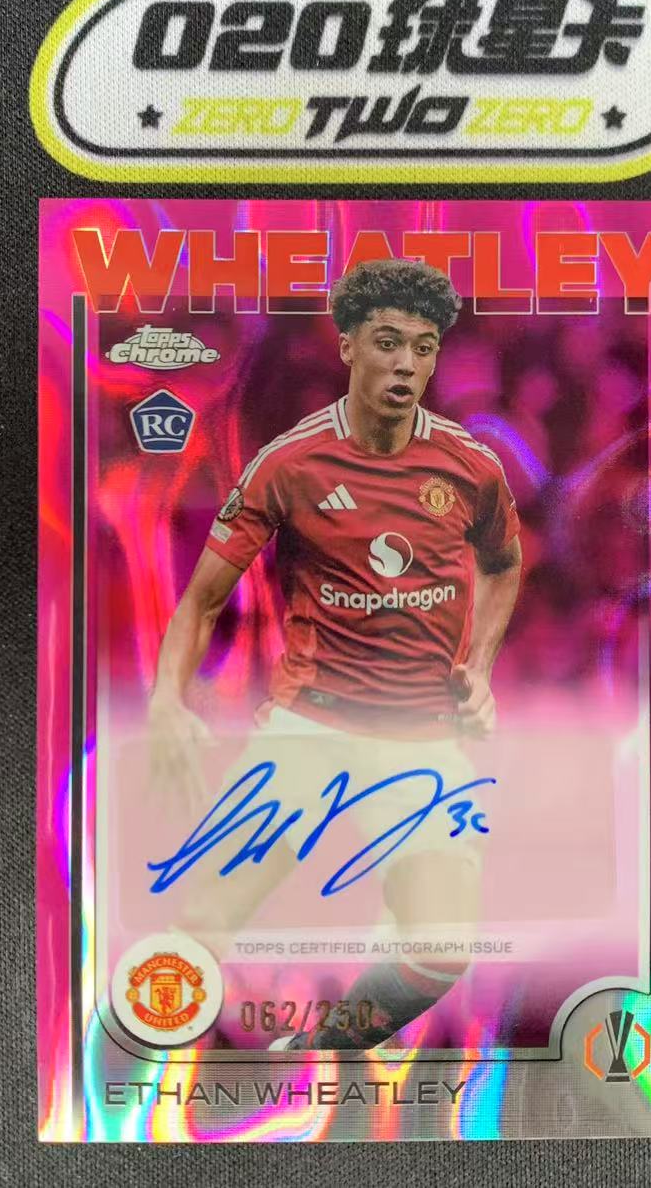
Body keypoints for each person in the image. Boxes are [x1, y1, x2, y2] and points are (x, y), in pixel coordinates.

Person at [147, 257, 523, 1050]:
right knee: (206, 922)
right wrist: (166, 704)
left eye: (423, 347)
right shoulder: (291, 464)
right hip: (309, 731)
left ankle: (317, 1055)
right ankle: (136, 1075)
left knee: (441, 950)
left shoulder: (470, 468)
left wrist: (480, 670)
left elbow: (504, 563)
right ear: (348, 345)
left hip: (421, 738)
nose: (406, 364)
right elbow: (201, 601)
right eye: (387, 343)